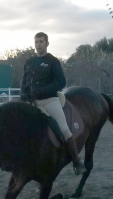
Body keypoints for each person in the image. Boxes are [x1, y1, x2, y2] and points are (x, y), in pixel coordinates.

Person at [20, 32, 86, 175]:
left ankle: (76, 161)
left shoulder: (53, 61)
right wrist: (23, 94)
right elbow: (24, 81)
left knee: (64, 129)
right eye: (36, 42)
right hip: (32, 102)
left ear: (47, 44)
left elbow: (61, 82)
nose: (38, 44)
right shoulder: (29, 62)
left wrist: (42, 91)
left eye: (41, 42)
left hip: (49, 100)